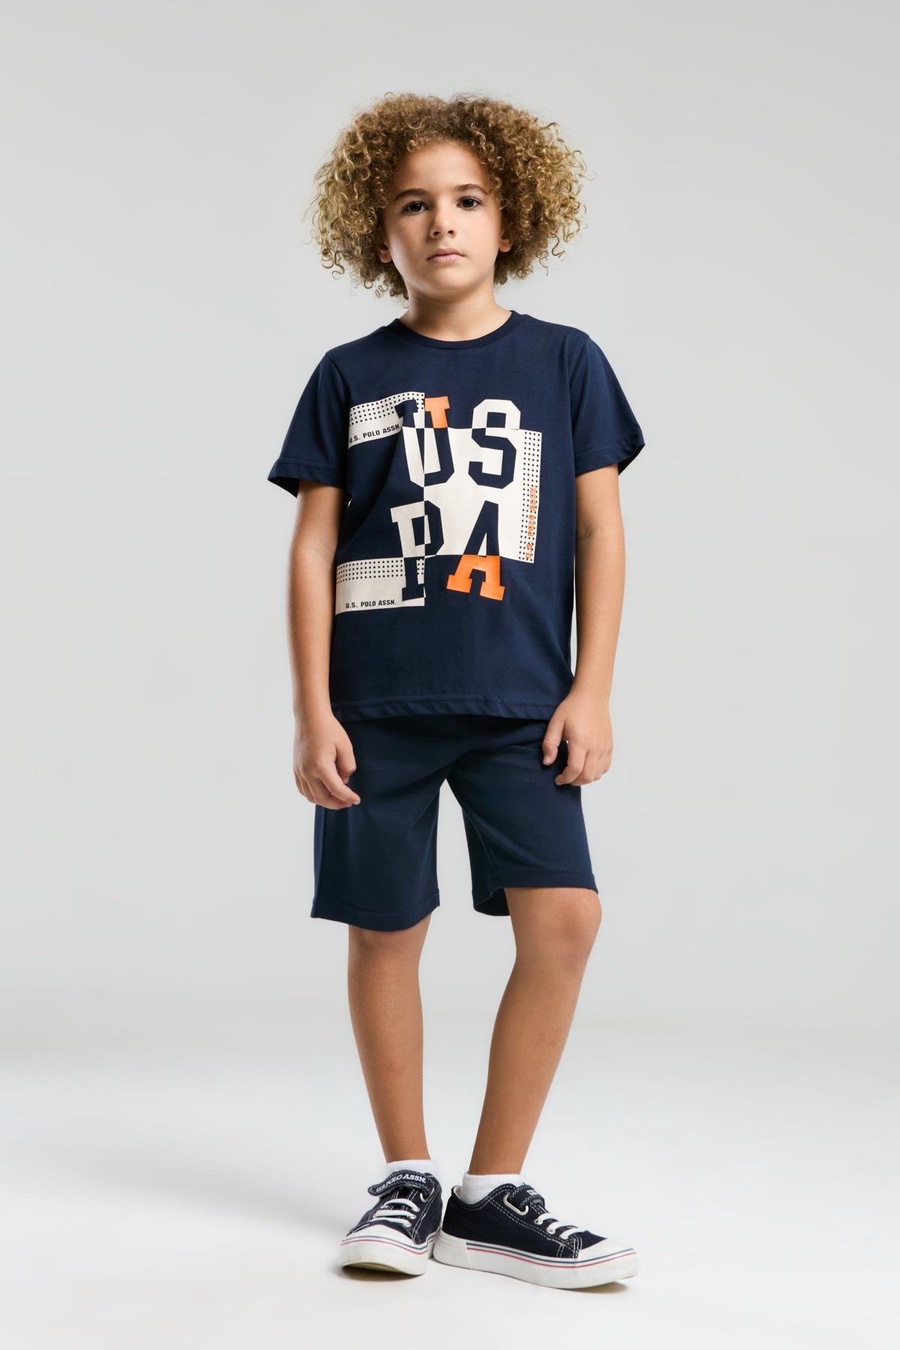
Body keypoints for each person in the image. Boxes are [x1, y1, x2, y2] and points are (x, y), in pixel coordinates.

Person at [267, 92, 646, 1291]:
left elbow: (601, 532)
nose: (443, 222)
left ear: (509, 220)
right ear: (375, 230)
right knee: (388, 929)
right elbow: (313, 549)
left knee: (565, 918)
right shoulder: (348, 375)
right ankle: (407, 1177)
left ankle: (489, 1194)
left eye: (469, 200)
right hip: (375, 708)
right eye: (414, 204)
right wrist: (312, 709)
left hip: (521, 704)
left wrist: (592, 688)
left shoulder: (565, 363)